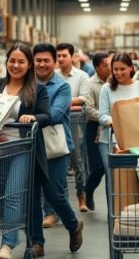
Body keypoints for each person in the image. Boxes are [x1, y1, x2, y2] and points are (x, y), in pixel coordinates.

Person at [0, 43, 51, 259]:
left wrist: (32, 118)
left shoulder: (37, 89)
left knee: (12, 196)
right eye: (12, 60)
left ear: (29, 64)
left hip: (22, 149)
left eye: (21, 61)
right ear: (6, 62)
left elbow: (46, 115)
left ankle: (7, 246)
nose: (16, 65)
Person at [32, 43, 83, 256]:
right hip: (30, 145)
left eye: (46, 60)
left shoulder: (62, 86)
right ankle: (37, 242)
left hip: (56, 147)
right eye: (38, 60)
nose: (42, 64)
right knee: (32, 195)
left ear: (54, 62)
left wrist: (32, 117)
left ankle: (73, 225)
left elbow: (55, 113)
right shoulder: (26, 84)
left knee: (54, 192)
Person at [98, 53, 139, 171]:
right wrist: (116, 121)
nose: (118, 72)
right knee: (112, 179)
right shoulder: (107, 88)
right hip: (109, 141)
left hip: (137, 141)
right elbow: (102, 116)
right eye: (115, 69)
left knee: (132, 178)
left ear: (131, 67)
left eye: (122, 69)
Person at [55, 42, 89, 212]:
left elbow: (83, 99)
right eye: (58, 56)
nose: (60, 59)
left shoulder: (82, 76)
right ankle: (64, 201)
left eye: (64, 55)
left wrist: (60, 104)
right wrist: (69, 103)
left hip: (74, 123)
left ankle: (81, 195)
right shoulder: (53, 75)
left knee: (77, 160)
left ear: (72, 57)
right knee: (60, 161)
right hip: (55, 124)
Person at [80, 52, 111, 211]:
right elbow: (88, 109)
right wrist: (106, 117)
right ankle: (89, 189)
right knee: (98, 166)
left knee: (111, 169)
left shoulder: (115, 81)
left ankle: (112, 209)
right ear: (97, 67)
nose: (109, 68)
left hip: (113, 129)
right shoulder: (90, 84)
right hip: (95, 129)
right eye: (106, 66)